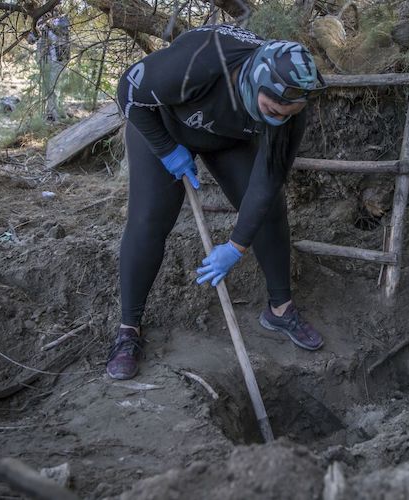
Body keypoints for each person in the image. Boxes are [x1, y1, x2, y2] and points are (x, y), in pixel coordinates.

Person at [106, 25, 329, 380]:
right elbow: (128, 91)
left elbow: (268, 179)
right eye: (273, 108)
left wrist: (235, 247)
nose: (280, 118)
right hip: (164, 127)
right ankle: (128, 330)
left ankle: (280, 309)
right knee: (149, 220)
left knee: (270, 209)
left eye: (288, 113)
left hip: (227, 139)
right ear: (256, 82)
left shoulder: (289, 110)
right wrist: (165, 150)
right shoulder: (199, 62)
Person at [27, 11, 70, 122]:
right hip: (43, 58)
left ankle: (55, 113)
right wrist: (35, 30)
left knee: (55, 86)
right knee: (46, 88)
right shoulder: (39, 19)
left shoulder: (62, 17)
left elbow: (62, 33)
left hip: (59, 58)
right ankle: (49, 113)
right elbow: (30, 39)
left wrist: (49, 23)